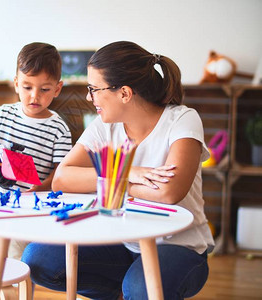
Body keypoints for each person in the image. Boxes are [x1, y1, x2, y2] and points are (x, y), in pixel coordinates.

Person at [22, 41, 215, 299]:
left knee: (140, 288)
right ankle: (117, 292)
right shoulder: (105, 126)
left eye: (94, 89)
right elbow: (63, 178)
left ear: (124, 93)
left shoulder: (182, 119)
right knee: (39, 259)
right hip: (123, 242)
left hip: (179, 246)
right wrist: (126, 171)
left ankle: (132, 289)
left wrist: (115, 178)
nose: (89, 97)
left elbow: (169, 193)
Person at [0, 42, 72, 260]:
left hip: (27, 208)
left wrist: (40, 188)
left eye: (44, 89)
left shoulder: (59, 128)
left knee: (20, 262)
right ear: (16, 84)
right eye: (27, 87)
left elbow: (61, 172)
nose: (35, 96)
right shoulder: (3, 113)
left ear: (57, 88)